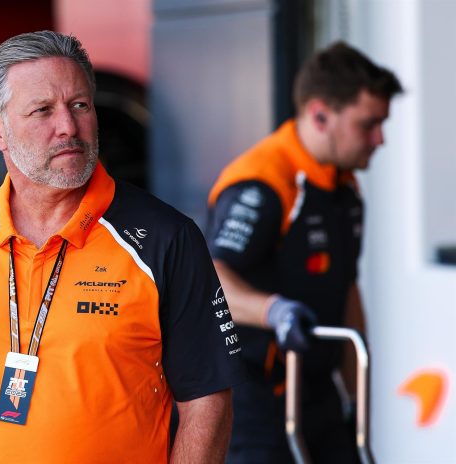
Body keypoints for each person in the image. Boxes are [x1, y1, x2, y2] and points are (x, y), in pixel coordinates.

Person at [0, 30, 245, 463]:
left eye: (80, 105)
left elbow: (207, 401)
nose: (68, 127)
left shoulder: (166, 239)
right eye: (43, 110)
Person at [205, 41, 402, 463]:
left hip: (317, 391)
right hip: (254, 399)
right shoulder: (263, 182)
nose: (380, 139)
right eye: (368, 125)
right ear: (319, 114)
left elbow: (347, 292)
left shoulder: (344, 186)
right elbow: (211, 278)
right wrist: (273, 311)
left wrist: (357, 403)